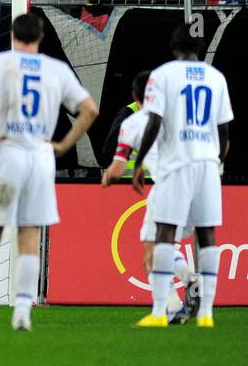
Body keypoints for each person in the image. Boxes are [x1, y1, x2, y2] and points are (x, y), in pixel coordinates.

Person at [0, 13, 99, 332]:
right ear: (41, 35)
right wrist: (62, 145)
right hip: (40, 158)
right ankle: (22, 312)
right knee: (29, 236)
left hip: (7, 153)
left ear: (11, 35)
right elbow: (90, 110)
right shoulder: (55, 68)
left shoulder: (1, 61)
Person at [127, 25, 233, 328]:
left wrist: (139, 164)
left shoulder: (163, 75)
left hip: (177, 163)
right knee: (207, 234)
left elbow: (155, 121)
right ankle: (207, 314)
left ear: (173, 46)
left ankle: (160, 311)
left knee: (164, 233)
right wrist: (218, 161)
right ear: (200, 47)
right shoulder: (217, 77)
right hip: (208, 163)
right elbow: (224, 129)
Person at [100, 70, 196, 324]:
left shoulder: (132, 122)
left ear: (135, 95)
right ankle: (181, 296)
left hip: (165, 187)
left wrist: (107, 177)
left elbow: (117, 166)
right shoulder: (176, 117)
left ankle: (177, 297)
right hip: (191, 184)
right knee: (161, 248)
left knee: (150, 252)